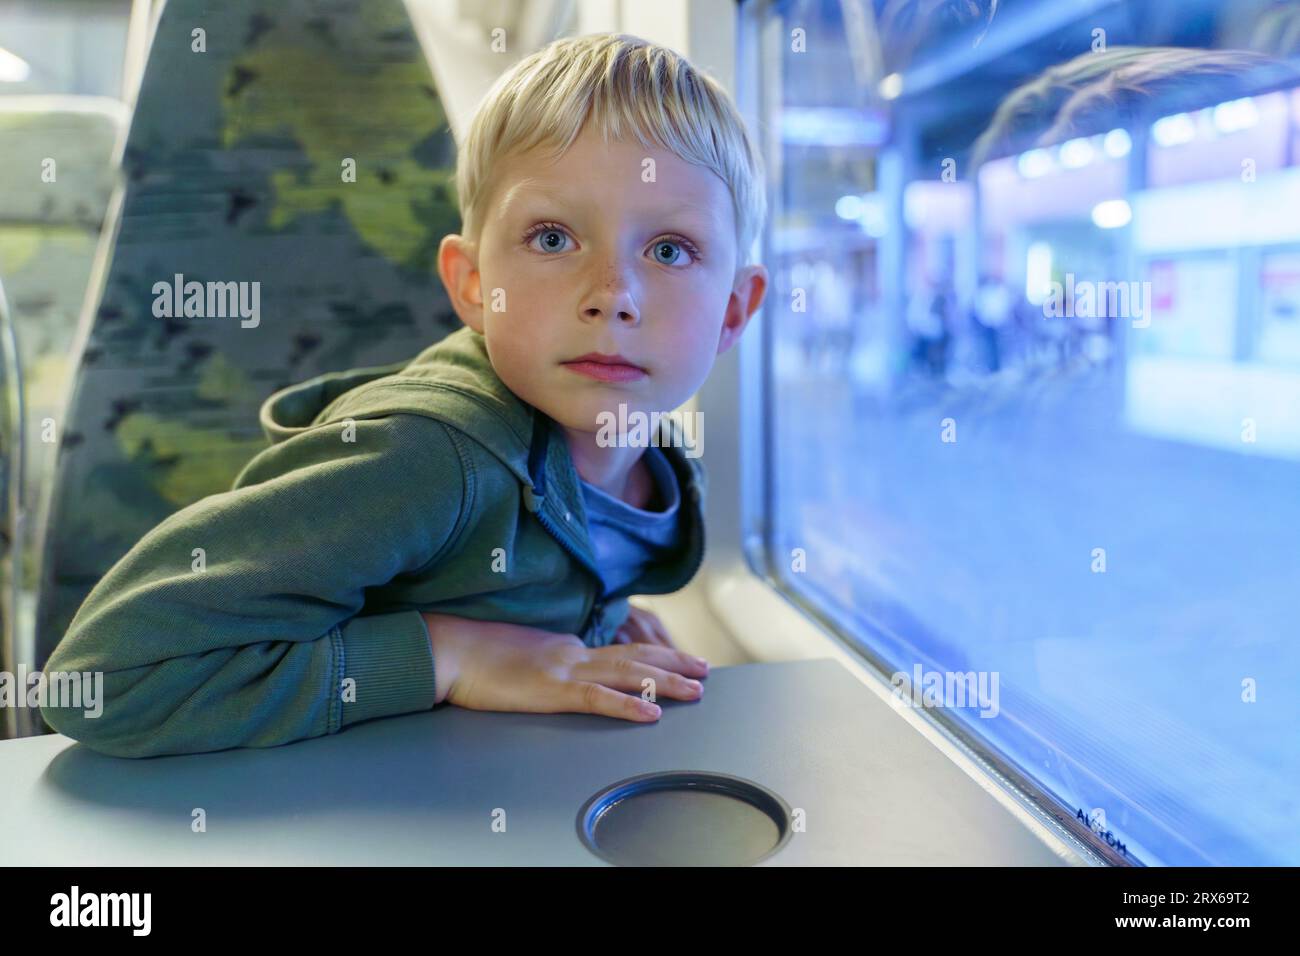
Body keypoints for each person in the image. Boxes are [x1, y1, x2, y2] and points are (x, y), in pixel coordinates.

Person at [40, 33, 769, 757]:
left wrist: (598, 622)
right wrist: (451, 655)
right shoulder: (426, 460)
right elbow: (102, 679)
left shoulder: (653, 465)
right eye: (552, 239)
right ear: (474, 283)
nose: (612, 295)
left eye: (669, 250)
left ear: (735, 311)